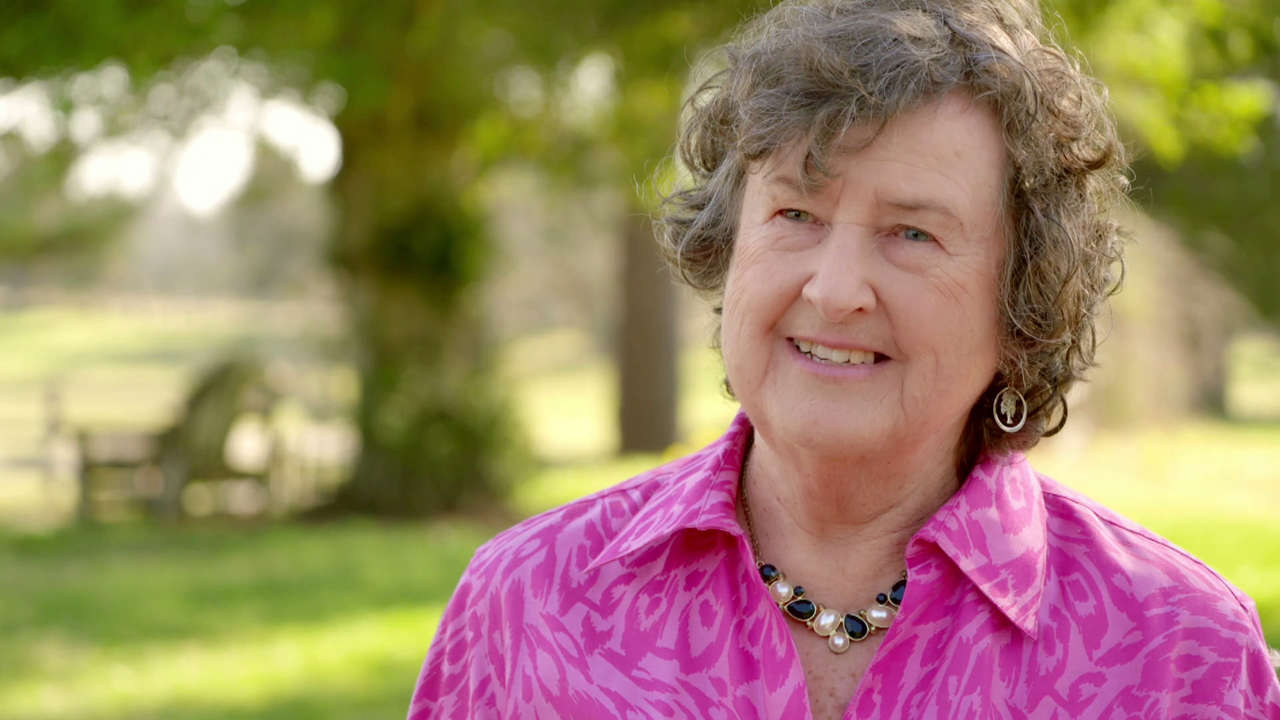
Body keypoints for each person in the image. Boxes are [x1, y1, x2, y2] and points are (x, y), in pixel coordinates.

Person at [409, 0, 1280, 717]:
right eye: (796, 215)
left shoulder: (1178, 652)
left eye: (912, 233)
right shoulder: (529, 605)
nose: (834, 290)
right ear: (729, 244)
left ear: (1024, 299)